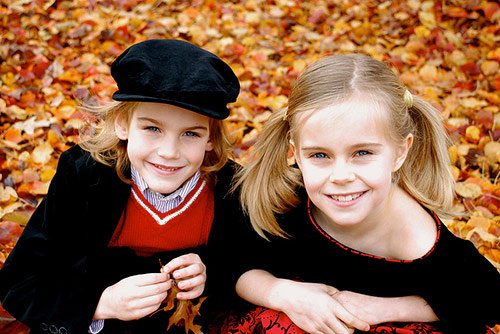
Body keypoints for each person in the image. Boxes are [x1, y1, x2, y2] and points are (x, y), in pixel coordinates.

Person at [229, 54, 500, 334]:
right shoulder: (287, 200)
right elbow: (233, 264)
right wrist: (283, 293)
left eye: (362, 153)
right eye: (320, 155)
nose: (341, 176)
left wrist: (385, 308)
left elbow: (487, 298)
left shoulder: (415, 237)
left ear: (400, 152)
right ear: (295, 153)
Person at [0, 39, 246, 334]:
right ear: (122, 124)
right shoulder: (84, 177)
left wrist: (207, 272)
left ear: (210, 139)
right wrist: (103, 303)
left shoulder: (229, 188)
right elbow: (21, 281)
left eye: (190, 134)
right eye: (152, 128)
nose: (169, 151)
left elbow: (243, 267)